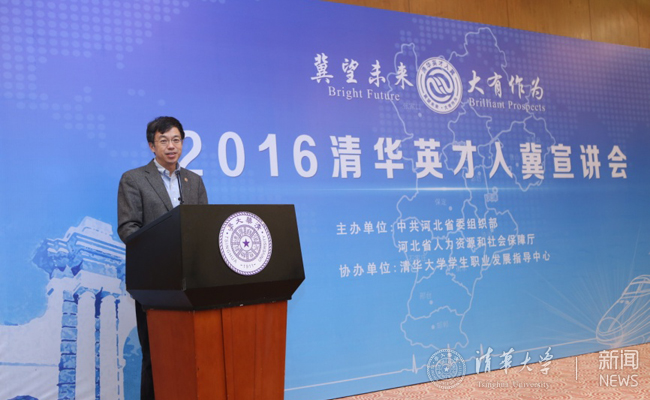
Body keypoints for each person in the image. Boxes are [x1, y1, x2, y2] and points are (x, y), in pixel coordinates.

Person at [117, 116, 208, 399]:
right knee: (156, 358)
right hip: (155, 284)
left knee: (191, 354)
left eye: (176, 140)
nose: (171, 146)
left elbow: (204, 226)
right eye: (164, 140)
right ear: (152, 146)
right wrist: (162, 251)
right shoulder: (134, 179)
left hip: (192, 283)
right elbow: (128, 228)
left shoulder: (194, 181)